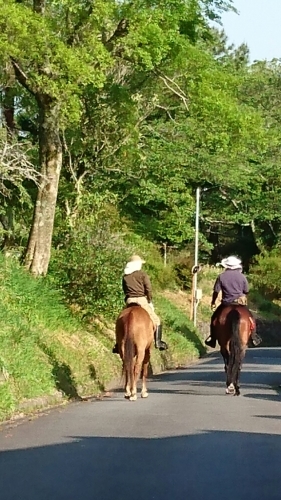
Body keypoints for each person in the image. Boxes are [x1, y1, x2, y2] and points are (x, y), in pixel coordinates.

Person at [112, 254, 168, 353]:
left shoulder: (125, 276)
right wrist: (149, 300)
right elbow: (148, 289)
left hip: (129, 300)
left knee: (121, 320)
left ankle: (117, 344)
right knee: (157, 320)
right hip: (141, 300)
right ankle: (158, 342)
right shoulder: (142, 275)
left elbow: (124, 289)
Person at [205, 256, 262, 348]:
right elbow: (246, 290)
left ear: (226, 265)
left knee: (214, 319)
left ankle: (212, 338)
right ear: (236, 266)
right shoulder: (242, 276)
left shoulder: (221, 276)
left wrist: (213, 302)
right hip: (239, 303)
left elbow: (216, 291)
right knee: (251, 318)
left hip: (226, 303)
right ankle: (253, 337)